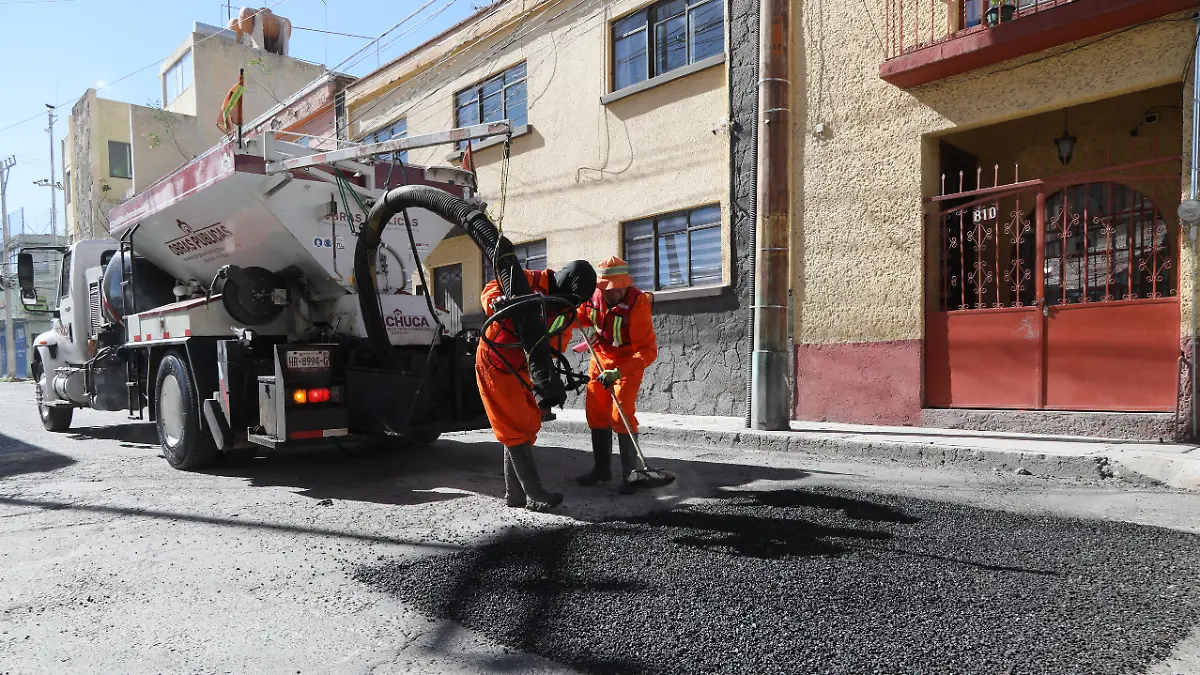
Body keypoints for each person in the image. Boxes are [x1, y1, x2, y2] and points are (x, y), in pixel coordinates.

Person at [476, 260, 597, 512]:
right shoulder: (526, 280)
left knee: (528, 424)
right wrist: (496, 303)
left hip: (523, 368)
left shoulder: (564, 307)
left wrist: (546, 383)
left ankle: (515, 495)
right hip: (496, 362)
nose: (574, 304)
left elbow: (556, 344)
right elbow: (491, 289)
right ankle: (534, 493)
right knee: (515, 426)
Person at [575, 256, 658, 493]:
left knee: (620, 415)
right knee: (596, 413)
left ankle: (630, 475)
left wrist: (619, 372)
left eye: (617, 288)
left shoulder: (638, 304)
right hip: (600, 358)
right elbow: (579, 317)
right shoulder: (594, 298)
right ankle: (601, 471)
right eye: (607, 289)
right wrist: (568, 312)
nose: (612, 294)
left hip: (627, 363)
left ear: (626, 284)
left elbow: (648, 351)